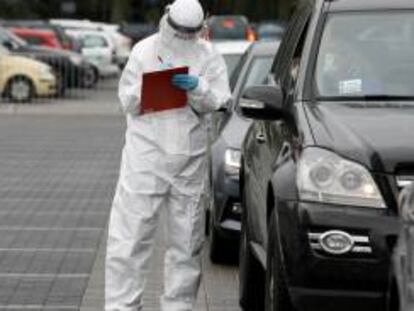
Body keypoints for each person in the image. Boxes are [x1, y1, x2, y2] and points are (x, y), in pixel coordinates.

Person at [105, 0, 232, 310]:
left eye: (191, 32)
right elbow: (127, 100)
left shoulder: (208, 55)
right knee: (130, 238)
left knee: (186, 243)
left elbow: (221, 100)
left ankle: (178, 306)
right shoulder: (144, 51)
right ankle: (121, 306)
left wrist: (198, 87)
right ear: (168, 19)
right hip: (145, 157)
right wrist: (154, 88)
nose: (185, 38)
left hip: (188, 160)